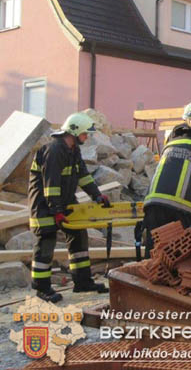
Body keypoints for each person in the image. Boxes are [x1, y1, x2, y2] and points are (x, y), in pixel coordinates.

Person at [29, 113, 110, 303]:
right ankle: (42, 289)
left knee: (78, 236)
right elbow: (51, 185)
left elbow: (83, 176)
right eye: (85, 134)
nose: (87, 137)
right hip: (44, 204)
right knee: (45, 243)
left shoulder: (73, 150)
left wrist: (97, 195)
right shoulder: (54, 150)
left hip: (64, 201)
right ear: (74, 132)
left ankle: (82, 281)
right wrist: (56, 210)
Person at [143, 124, 191, 257]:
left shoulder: (170, 145)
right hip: (180, 208)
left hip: (152, 203)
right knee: (178, 254)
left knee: (153, 250)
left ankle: (147, 275)